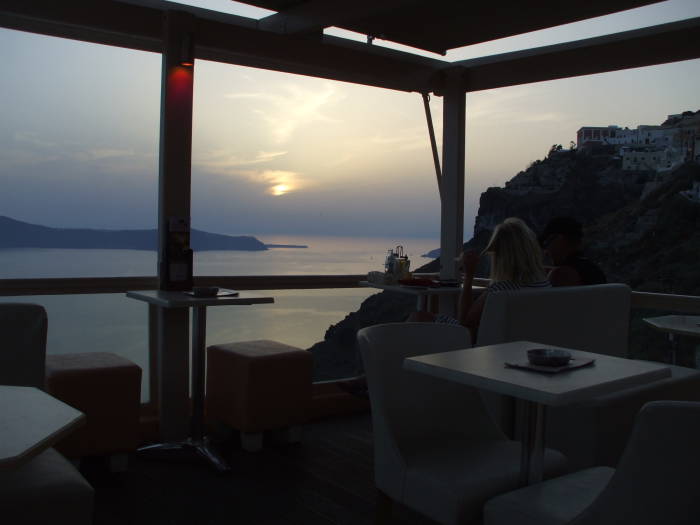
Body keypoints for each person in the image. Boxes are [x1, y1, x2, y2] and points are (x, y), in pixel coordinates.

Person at [451, 217, 551, 343]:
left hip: (490, 353)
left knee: (425, 317)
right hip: (525, 349)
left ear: (501, 255)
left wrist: (469, 276)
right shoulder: (545, 284)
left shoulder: (500, 289)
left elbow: (464, 322)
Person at [539, 217, 606, 286]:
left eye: (546, 243)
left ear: (560, 239)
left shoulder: (561, 275)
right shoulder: (593, 270)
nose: (546, 251)